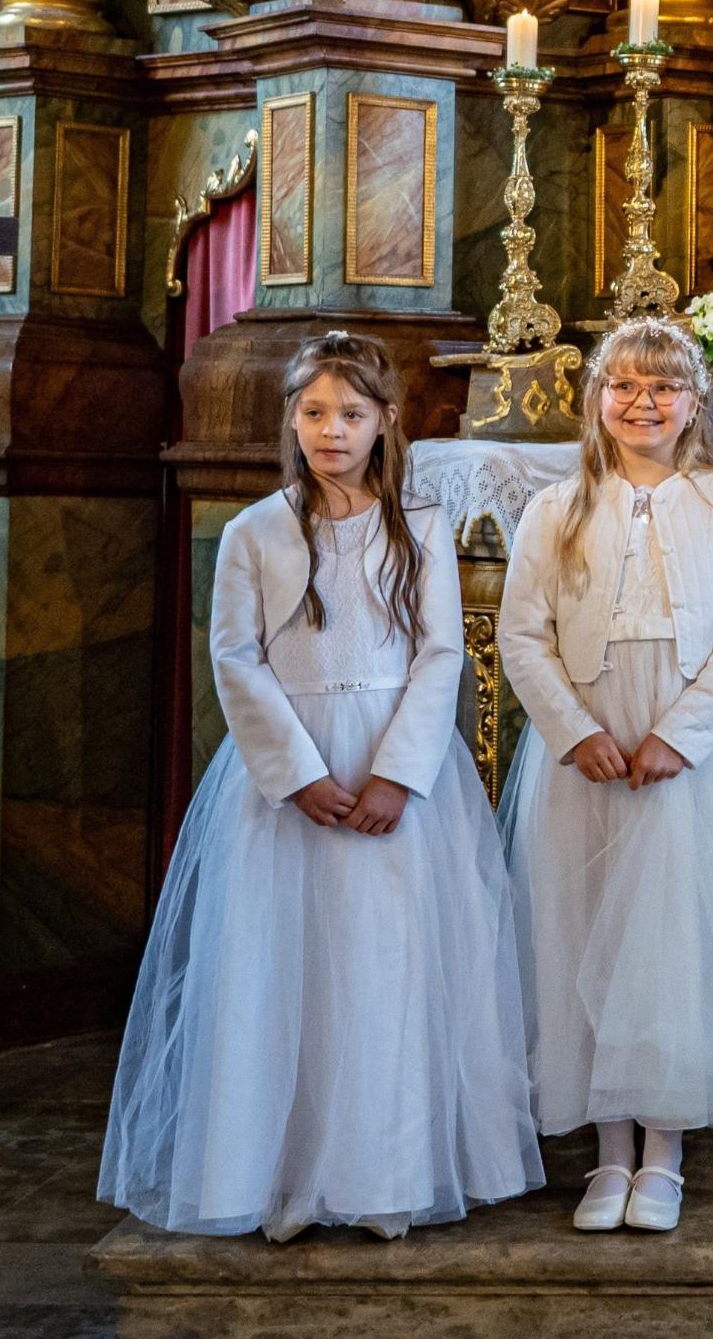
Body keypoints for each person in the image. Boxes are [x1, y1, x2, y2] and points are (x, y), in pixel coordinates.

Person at [100, 332, 541, 1240]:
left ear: (385, 421)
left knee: (382, 971)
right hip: (286, 777)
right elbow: (235, 656)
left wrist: (395, 774)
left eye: (350, 413)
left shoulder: (417, 525)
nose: (331, 430)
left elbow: (439, 654)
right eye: (313, 413)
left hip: (393, 769)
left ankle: (381, 1176)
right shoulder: (255, 530)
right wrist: (297, 773)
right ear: (290, 422)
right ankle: (285, 1179)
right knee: (280, 973)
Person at [498, 319, 713, 1235]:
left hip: (697, 748)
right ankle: (608, 1154)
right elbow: (522, 633)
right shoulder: (555, 508)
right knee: (585, 929)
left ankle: (665, 1151)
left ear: (695, 404)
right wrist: (571, 730)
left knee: (672, 937)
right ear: (597, 399)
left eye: (664, 389)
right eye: (625, 387)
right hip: (587, 743)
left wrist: (680, 733)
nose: (643, 404)